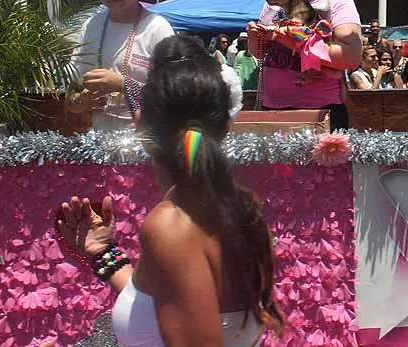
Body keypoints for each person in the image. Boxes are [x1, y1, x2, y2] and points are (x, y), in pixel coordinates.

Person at [55, 35, 285, 345]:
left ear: (141, 124)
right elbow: (174, 297)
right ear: (223, 125)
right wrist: (102, 252)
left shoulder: (172, 225)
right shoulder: (238, 208)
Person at [247, 0, 362, 131]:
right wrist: (255, 37)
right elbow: (260, 53)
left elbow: (351, 56)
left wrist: (296, 42)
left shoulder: (338, 0)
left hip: (320, 114)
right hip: (272, 110)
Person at [67, 0, 174, 130]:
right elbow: (71, 99)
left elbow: (173, 97)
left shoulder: (157, 29)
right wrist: (82, 100)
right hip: (98, 141)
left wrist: (122, 85)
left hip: (146, 141)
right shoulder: (91, 26)